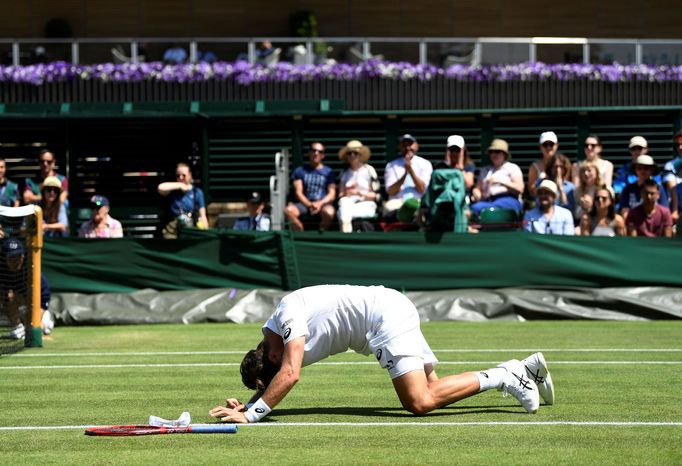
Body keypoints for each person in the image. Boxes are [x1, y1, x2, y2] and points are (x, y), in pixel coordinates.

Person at [209, 285, 554, 424]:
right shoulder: (274, 344)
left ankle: (508, 375)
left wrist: (252, 416)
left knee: (418, 401)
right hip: (389, 307)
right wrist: (253, 402)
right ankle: (521, 370)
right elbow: (278, 373)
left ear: (270, 355)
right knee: (435, 388)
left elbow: (289, 373)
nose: (281, 362)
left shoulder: (287, 317)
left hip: (383, 317)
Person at [1, 238, 53, 339]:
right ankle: (18, 327)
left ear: (23, 256)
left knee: (37, 328)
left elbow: (45, 295)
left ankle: (44, 320)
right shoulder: (2, 271)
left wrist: (37, 317)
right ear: (5, 258)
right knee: (9, 296)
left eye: (18, 256)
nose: (15, 260)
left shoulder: (32, 270)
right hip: (17, 301)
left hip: (35, 302)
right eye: (11, 257)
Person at [284, 142, 337, 231]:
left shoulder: (329, 172)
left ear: (323, 155)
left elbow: (332, 194)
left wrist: (319, 204)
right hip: (304, 204)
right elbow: (298, 192)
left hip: (323, 204)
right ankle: (300, 234)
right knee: (288, 211)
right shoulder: (300, 171)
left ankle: (321, 234)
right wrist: (309, 205)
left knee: (329, 212)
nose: (316, 153)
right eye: (313, 150)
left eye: (320, 151)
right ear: (309, 153)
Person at [470, 138, 524, 217]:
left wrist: (502, 182)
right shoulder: (485, 170)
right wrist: (476, 192)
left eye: (497, 152)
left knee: (481, 209)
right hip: (488, 201)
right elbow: (478, 188)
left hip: (508, 199)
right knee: (474, 208)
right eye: (491, 152)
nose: (494, 154)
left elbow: (520, 188)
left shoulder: (512, 168)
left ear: (504, 154)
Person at [383, 134, 433, 217]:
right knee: (388, 208)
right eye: (404, 145)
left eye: (410, 144)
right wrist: (405, 173)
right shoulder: (391, 165)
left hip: (418, 201)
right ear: (400, 147)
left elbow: (422, 189)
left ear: (416, 146)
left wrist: (411, 171)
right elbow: (390, 191)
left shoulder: (425, 164)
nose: (407, 148)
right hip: (397, 202)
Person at [336, 140, 380, 233]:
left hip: (366, 205)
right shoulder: (344, 172)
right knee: (344, 203)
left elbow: (376, 196)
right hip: (348, 204)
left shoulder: (369, 170)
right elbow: (340, 195)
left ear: (360, 155)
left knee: (342, 213)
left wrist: (359, 193)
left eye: (355, 153)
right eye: (349, 153)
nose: (352, 155)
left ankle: (345, 236)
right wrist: (347, 192)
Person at [158, 163, 209, 239]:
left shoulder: (197, 192)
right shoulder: (173, 190)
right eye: (178, 176)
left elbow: (203, 215)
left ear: (190, 175)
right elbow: (161, 188)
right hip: (173, 228)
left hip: (189, 227)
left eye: (184, 175)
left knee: (187, 223)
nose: (181, 178)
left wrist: (206, 233)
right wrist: (180, 185)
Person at [617, 155, 669, 220]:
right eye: (639, 168)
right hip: (633, 224)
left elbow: (665, 211)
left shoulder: (659, 188)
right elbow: (625, 213)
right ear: (635, 170)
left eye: (646, 168)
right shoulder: (628, 189)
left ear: (652, 170)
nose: (642, 171)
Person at [527, 131, 559, 197]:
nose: (548, 147)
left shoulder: (563, 164)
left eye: (551, 144)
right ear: (540, 147)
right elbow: (531, 191)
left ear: (557, 146)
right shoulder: (534, 167)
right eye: (545, 144)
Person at [571, 160, 603, 224]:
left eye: (589, 170)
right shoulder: (577, 191)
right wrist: (583, 206)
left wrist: (592, 205)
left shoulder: (603, 189)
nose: (586, 173)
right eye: (583, 171)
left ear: (596, 172)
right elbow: (576, 214)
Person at [661, 131, 682, 225]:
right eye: (678, 145)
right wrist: (675, 211)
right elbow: (673, 190)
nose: (680, 147)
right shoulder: (670, 165)